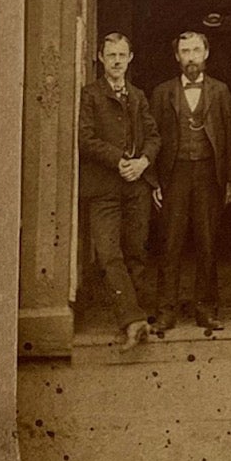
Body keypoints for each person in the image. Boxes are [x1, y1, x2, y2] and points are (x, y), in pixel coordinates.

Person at [149, 31, 231, 334]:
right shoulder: (162, 93)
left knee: (207, 243)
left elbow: (227, 136)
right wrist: (154, 181)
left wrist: (228, 182)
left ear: (206, 54)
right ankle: (166, 312)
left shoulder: (220, 91)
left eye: (196, 50)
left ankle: (206, 310)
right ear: (177, 57)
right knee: (169, 244)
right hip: (174, 175)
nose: (190, 57)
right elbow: (153, 138)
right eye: (184, 51)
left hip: (209, 175)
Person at [77, 33, 160, 346]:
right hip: (104, 189)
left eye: (122, 55)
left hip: (136, 186)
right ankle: (131, 319)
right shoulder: (91, 95)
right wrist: (120, 160)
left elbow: (154, 136)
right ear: (100, 58)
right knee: (109, 253)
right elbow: (86, 139)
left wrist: (143, 162)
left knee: (137, 251)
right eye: (110, 55)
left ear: (130, 58)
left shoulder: (137, 96)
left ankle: (136, 320)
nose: (116, 61)